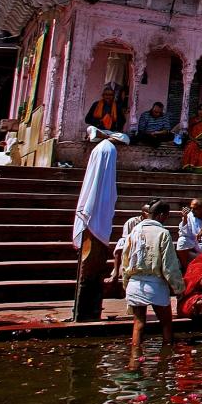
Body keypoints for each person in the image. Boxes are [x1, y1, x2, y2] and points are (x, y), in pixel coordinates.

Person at [72, 134, 125, 322]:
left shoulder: (105, 181)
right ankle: (85, 312)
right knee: (90, 272)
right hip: (94, 228)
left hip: (97, 225)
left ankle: (89, 310)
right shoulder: (104, 157)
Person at [121, 200, 185, 347]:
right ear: (161, 215)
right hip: (155, 284)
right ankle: (166, 359)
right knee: (166, 324)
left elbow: (125, 261)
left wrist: (125, 284)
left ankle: (134, 361)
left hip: (135, 282)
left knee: (138, 324)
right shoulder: (163, 233)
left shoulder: (134, 232)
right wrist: (179, 288)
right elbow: (169, 267)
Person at [109, 202, 152, 286]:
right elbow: (126, 238)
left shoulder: (154, 222)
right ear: (143, 213)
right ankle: (116, 273)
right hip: (132, 247)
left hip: (147, 248)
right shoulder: (132, 222)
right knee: (121, 242)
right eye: (148, 212)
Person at [176, 198, 202, 269]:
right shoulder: (190, 215)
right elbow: (184, 234)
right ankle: (187, 269)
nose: (192, 211)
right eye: (191, 208)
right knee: (181, 241)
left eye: (195, 209)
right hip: (196, 248)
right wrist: (185, 219)